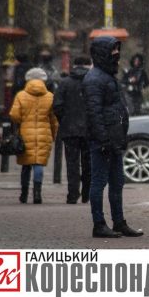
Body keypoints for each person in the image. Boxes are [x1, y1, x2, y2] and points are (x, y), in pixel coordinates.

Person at [83, 36, 143, 239]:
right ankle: (98, 224)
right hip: (103, 141)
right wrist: (103, 140)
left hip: (114, 139)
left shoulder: (107, 76)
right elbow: (94, 113)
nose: (117, 56)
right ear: (102, 54)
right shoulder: (94, 79)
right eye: (113, 52)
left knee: (117, 182)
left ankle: (119, 222)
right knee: (99, 182)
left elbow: (114, 109)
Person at [9, 68, 59, 204]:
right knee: (38, 164)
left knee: (26, 165)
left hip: (26, 133)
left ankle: (24, 193)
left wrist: (22, 120)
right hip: (44, 133)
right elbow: (54, 119)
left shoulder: (21, 95)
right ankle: (37, 193)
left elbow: (14, 115)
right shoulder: (50, 96)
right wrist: (53, 135)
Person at [53, 55, 92, 204]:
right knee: (89, 163)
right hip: (89, 130)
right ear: (89, 65)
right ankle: (86, 193)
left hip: (69, 129)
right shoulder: (93, 83)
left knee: (72, 163)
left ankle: (72, 194)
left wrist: (64, 120)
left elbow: (57, 106)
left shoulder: (64, 83)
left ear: (74, 66)